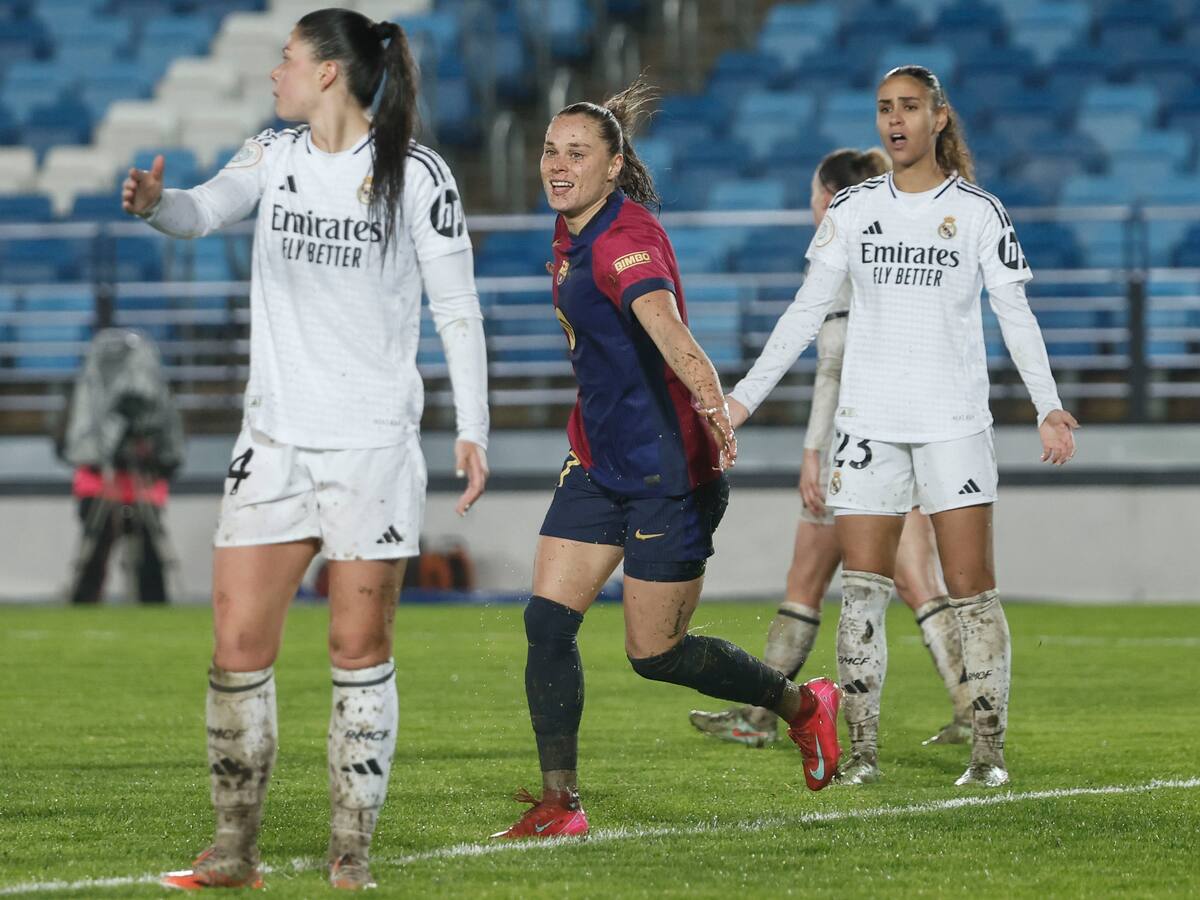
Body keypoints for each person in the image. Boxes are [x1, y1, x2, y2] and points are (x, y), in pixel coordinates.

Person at [122, 9, 490, 890]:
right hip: (275, 441)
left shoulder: (417, 176)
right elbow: (203, 211)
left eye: (286, 59)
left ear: (329, 72)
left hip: (370, 447)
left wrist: (471, 428)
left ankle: (351, 856)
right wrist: (153, 207)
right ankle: (233, 851)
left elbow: (458, 310)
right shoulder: (273, 156)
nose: (274, 74)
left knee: (357, 652)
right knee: (235, 647)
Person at [490, 81, 842, 841]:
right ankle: (561, 803)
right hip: (597, 460)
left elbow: (665, 322)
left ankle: (805, 706)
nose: (558, 164)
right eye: (551, 150)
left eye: (577, 153)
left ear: (614, 166)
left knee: (655, 654)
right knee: (547, 626)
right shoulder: (575, 228)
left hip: (667, 475)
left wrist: (712, 398)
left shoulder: (621, 242)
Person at [724, 65, 1078, 789]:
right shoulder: (853, 209)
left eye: (910, 107)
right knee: (861, 591)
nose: (895, 119)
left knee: (973, 588)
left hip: (953, 425)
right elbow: (803, 312)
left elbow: (1015, 313)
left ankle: (987, 751)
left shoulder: (978, 211)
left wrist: (1048, 403)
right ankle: (861, 754)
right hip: (870, 424)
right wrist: (743, 399)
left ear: (939, 117)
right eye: (885, 108)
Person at [689, 150, 974, 782]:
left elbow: (833, 367)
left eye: (816, 194)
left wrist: (814, 451)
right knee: (886, 581)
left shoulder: (847, 251)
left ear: (830, 197)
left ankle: (767, 715)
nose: (814, 205)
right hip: (903, 436)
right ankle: (967, 706)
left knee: (832, 582)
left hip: (861, 448)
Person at [57, 328, 184, 605]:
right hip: (99, 482)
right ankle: (83, 605)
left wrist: (153, 459)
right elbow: (69, 441)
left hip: (143, 482)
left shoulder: (155, 395)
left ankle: (153, 608)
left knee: (149, 552)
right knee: (95, 548)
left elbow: (169, 446)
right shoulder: (85, 392)